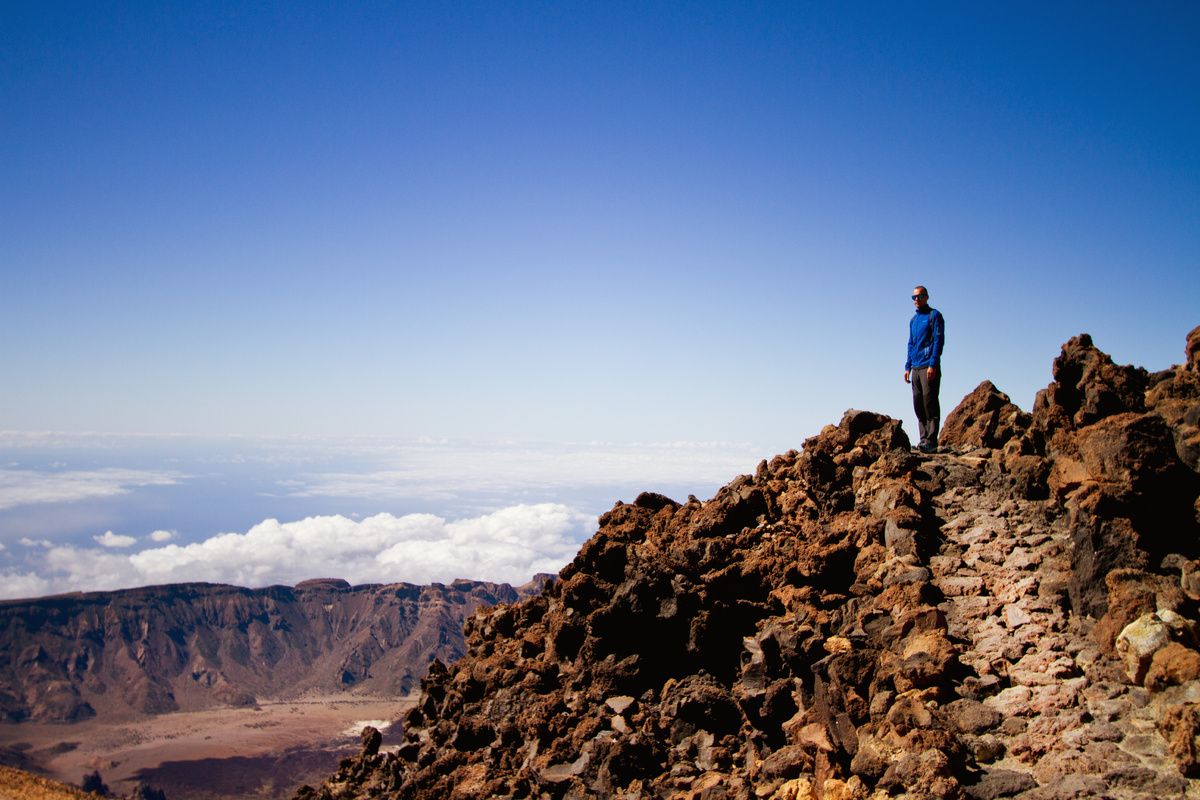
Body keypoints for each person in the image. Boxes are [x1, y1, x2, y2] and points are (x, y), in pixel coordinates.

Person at [904, 285, 945, 453]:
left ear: (926, 297)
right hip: (915, 367)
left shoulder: (934, 316)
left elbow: (938, 340)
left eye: (919, 296)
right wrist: (907, 366)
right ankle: (923, 439)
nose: (916, 300)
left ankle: (931, 440)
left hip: (928, 366)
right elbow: (911, 344)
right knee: (918, 403)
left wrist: (933, 364)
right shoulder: (913, 321)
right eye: (913, 297)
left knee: (930, 402)